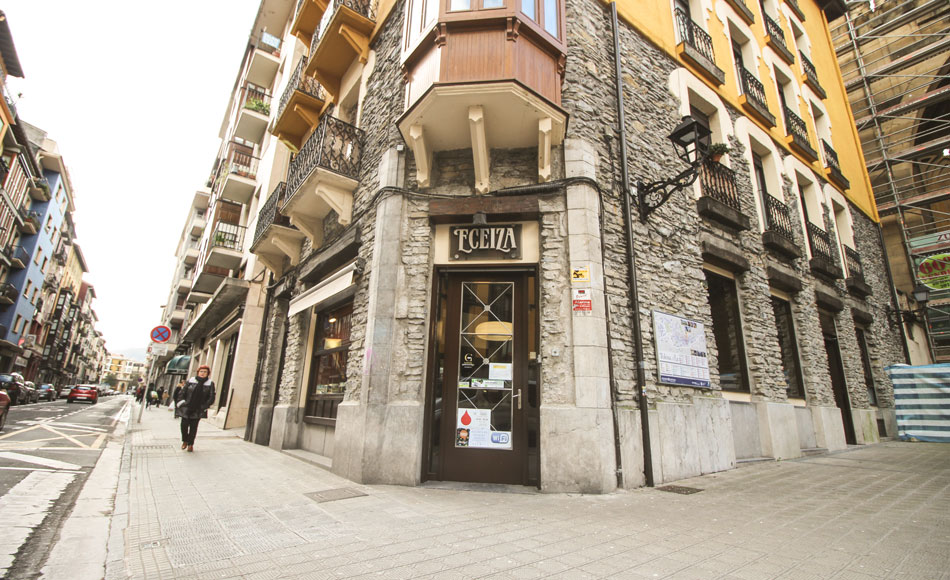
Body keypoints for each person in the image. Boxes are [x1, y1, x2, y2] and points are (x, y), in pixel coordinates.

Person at [174, 365, 215, 452]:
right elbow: (182, 393)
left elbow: (211, 397)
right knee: (184, 426)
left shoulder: (210, 383)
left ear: (208, 373)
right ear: (198, 372)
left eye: (205, 372)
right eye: (201, 371)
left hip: (198, 409)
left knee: (193, 427)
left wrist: (204, 406)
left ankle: (190, 444)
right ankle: (185, 440)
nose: (203, 373)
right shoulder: (191, 381)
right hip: (187, 408)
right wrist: (182, 403)